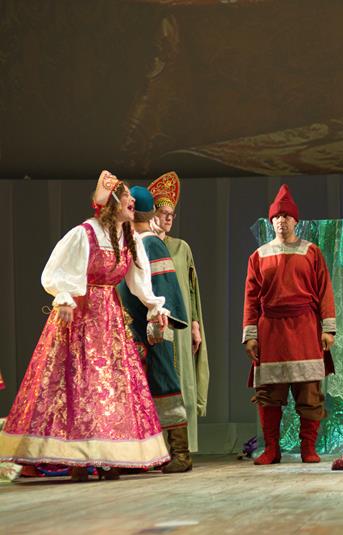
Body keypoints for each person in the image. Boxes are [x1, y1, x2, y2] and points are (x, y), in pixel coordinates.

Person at [0, 171, 170, 481]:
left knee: (110, 386)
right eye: (126, 196)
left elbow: (139, 281)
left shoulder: (129, 238)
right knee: (79, 385)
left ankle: (108, 457)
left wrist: (154, 306)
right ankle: (78, 459)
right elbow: (55, 270)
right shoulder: (85, 233)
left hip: (110, 319)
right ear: (111, 203)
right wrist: (64, 297)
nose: (132, 200)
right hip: (80, 317)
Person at [242, 184, 336, 464]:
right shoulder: (258, 256)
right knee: (269, 393)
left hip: (305, 327)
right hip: (270, 329)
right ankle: (272, 449)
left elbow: (325, 291)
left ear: (296, 221)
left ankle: (308, 448)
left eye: (287, 216)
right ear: (271, 222)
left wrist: (328, 328)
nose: (282, 221)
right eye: (277, 217)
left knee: (309, 390)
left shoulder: (311, 252)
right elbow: (251, 298)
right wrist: (250, 335)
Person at [118, 186, 191, 473]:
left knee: (164, 384)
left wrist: (157, 320)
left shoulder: (150, 243)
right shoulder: (131, 242)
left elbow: (164, 287)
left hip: (153, 328)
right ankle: (145, 456)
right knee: (140, 390)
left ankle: (181, 453)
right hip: (133, 329)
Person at [148, 171, 210, 454]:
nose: (168, 218)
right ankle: (156, 449)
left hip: (180, 324)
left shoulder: (181, 247)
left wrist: (195, 323)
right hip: (155, 322)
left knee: (182, 379)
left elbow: (192, 289)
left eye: (171, 214)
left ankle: (183, 448)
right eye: (163, 213)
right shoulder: (143, 245)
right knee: (157, 381)